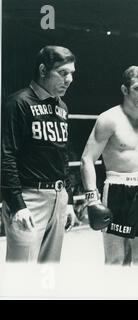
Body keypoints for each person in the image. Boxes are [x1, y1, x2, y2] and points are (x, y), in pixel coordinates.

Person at [1, 45, 76, 262]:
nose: (69, 79)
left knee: (48, 273)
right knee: (21, 273)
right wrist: (17, 205)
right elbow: (6, 155)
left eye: (71, 73)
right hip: (29, 198)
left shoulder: (62, 107)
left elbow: (62, 156)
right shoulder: (18, 103)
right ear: (43, 70)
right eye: (62, 73)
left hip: (58, 197)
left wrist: (68, 200)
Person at [80, 66, 138, 266]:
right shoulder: (109, 119)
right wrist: (92, 198)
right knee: (115, 259)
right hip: (117, 188)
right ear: (125, 90)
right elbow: (87, 159)